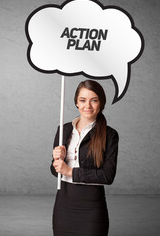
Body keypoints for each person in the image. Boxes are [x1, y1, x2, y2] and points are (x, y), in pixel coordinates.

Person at [50, 80, 119, 236]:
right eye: (82, 100)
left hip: (92, 207)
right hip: (64, 205)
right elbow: (55, 172)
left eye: (94, 100)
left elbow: (107, 176)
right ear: (76, 102)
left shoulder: (110, 135)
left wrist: (70, 171)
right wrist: (56, 161)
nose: (87, 105)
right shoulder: (64, 129)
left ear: (101, 103)